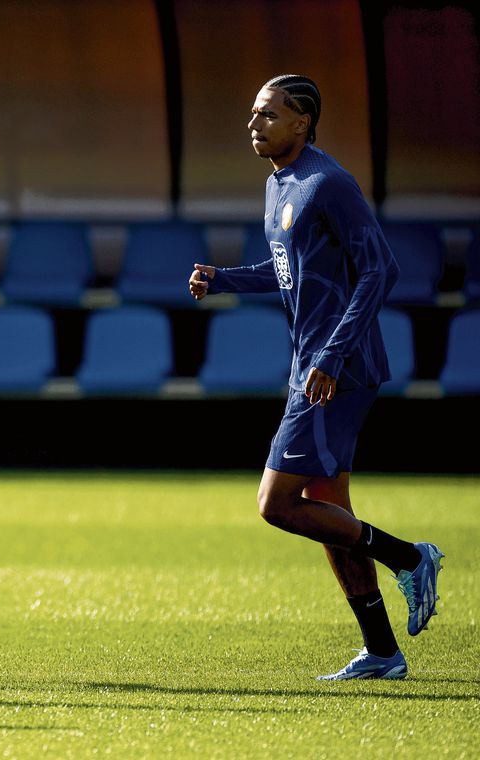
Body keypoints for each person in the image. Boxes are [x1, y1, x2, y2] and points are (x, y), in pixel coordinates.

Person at [188, 74, 443, 680]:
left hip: (336, 369)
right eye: (253, 114)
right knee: (326, 508)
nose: (255, 124)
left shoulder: (328, 183)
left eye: (269, 115)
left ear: (303, 123)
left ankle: (410, 557)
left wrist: (330, 357)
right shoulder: (280, 184)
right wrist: (223, 279)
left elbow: (380, 270)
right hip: (315, 365)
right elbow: (289, 273)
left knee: (275, 504)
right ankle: (382, 651)